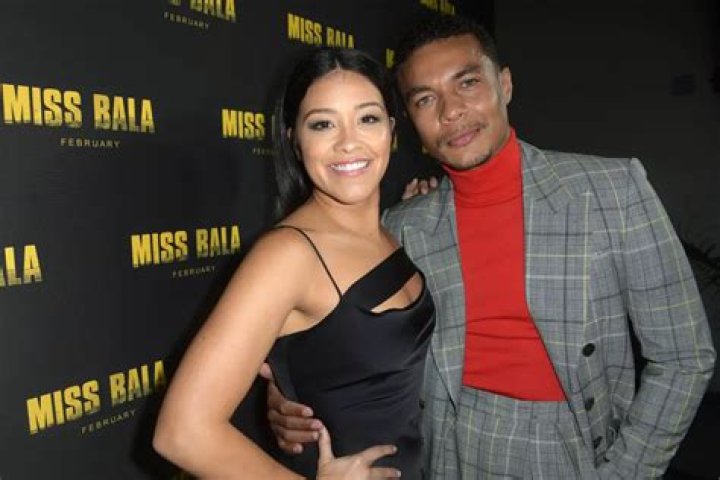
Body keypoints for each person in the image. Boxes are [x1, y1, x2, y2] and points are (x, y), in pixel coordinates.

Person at [265, 15, 716, 479]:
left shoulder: (611, 191)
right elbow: (348, 344)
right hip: (444, 451)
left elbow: (685, 358)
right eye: (425, 99)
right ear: (409, 121)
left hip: (577, 451)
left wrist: (626, 473)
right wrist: (290, 394)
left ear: (505, 84)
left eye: (467, 83)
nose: (450, 111)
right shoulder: (401, 226)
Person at [153, 47, 435, 479]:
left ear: (392, 130)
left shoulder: (387, 231)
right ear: (294, 141)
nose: (348, 141)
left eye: (368, 118)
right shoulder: (288, 254)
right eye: (322, 124)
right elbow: (182, 432)